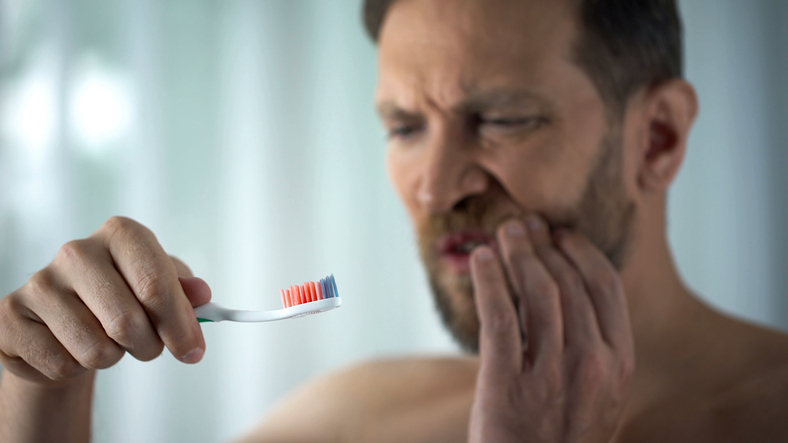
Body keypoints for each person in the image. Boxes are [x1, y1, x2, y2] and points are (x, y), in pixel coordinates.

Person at [1, 0, 787, 441]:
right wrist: (42, 396)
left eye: (502, 117)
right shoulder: (355, 419)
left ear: (658, 139)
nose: (435, 185)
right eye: (405, 127)